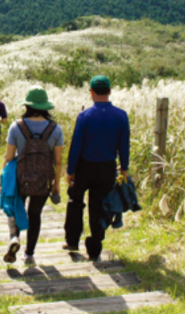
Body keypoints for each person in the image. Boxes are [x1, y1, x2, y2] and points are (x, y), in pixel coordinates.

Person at [64, 75, 130, 261]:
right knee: (99, 205)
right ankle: (95, 247)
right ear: (109, 92)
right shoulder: (121, 115)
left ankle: (72, 240)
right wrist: (123, 168)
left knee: (75, 201)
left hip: (85, 165)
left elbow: (76, 145)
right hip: (107, 167)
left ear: (91, 93)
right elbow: (124, 146)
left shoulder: (85, 116)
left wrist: (71, 170)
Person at [2, 86, 63, 264]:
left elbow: (8, 156)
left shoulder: (16, 127)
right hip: (44, 180)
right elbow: (58, 161)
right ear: (45, 106)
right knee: (35, 214)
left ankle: (14, 237)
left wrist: (6, 176)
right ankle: (29, 253)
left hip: (21, 178)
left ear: (27, 105)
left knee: (14, 207)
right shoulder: (55, 129)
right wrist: (56, 185)